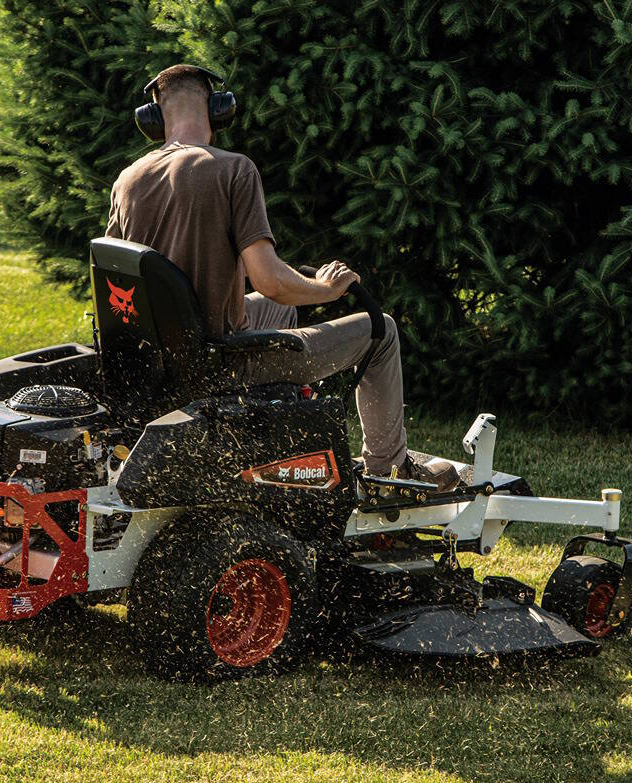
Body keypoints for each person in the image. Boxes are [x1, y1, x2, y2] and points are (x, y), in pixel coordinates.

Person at [106, 64, 458, 491]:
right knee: (381, 332)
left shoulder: (127, 181)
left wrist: (298, 291)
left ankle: (280, 432)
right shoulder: (234, 170)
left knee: (284, 305)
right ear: (218, 110)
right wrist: (326, 289)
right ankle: (389, 470)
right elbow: (268, 279)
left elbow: (120, 286)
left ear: (154, 119)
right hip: (224, 363)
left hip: (164, 362)